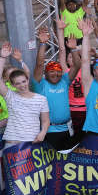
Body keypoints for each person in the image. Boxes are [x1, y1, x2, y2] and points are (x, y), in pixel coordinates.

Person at [32, 20, 80, 150]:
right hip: (50, 131)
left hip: (68, 128)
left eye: (59, 72)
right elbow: (39, 65)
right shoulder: (39, 85)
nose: (56, 74)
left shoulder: (64, 81)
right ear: (46, 74)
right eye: (52, 72)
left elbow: (77, 66)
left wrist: (74, 49)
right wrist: (43, 44)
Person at [0, 44, 50, 147]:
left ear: (27, 80)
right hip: (11, 144)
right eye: (18, 83)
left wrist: (43, 133)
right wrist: (3, 57)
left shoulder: (41, 99)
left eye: (23, 81)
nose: (22, 85)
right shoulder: (10, 96)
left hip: (32, 143)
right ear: (13, 85)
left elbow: (45, 120)